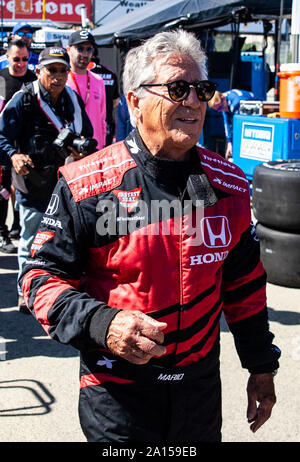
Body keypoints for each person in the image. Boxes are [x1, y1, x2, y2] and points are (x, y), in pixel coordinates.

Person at [20, 30, 280, 442]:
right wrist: (103, 323)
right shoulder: (84, 184)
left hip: (198, 393)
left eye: (202, 89)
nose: (194, 101)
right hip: (118, 394)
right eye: (178, 88)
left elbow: (244, 287)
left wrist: (261, 366)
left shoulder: (230, 184)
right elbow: (39, 280)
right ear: (136, 101)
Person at [0, 46, 94, 312]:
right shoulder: (24, 99)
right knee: (30, 240)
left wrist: (81, 149)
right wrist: (13, 155)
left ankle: (55, 290)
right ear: (39, 71)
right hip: (32, 183)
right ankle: (24, 291)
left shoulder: (72, 100)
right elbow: (1, 135)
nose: (58, 76)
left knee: (63, 238)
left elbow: (86, 133)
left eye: (63, 70)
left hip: (65, 183)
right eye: (52, 70)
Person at [0, 39, 37, 252]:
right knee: (3, 192)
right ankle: (2, 233)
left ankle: (17, 227)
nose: (21, 63)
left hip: (26, 149)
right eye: (16, 59)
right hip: (4, 146)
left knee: (22, 191)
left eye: (25, 59)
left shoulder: (33, 80)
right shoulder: (1, 79)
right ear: (7, 58)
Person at [66, 30, 106, 150]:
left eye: (89, 49)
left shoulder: (98, 81)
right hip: (71, 149)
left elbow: (102, 119)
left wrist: (102, 144)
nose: (84, 54)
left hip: (94, 148)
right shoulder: (62, 80)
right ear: (68, 50)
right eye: (80, 48)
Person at [208, 89, 256, 160]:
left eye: (220, 108)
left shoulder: (236, 102)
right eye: (218, 110)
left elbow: (238, 128)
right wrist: (229, 143)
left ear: (223, 98)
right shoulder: (223, 102)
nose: (221, 110)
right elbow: (227, 124)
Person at [88, 57, 120, 146]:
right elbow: (116, 101)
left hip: (92, 125)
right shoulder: (110, 73)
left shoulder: (85, 72)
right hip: (107, 123)